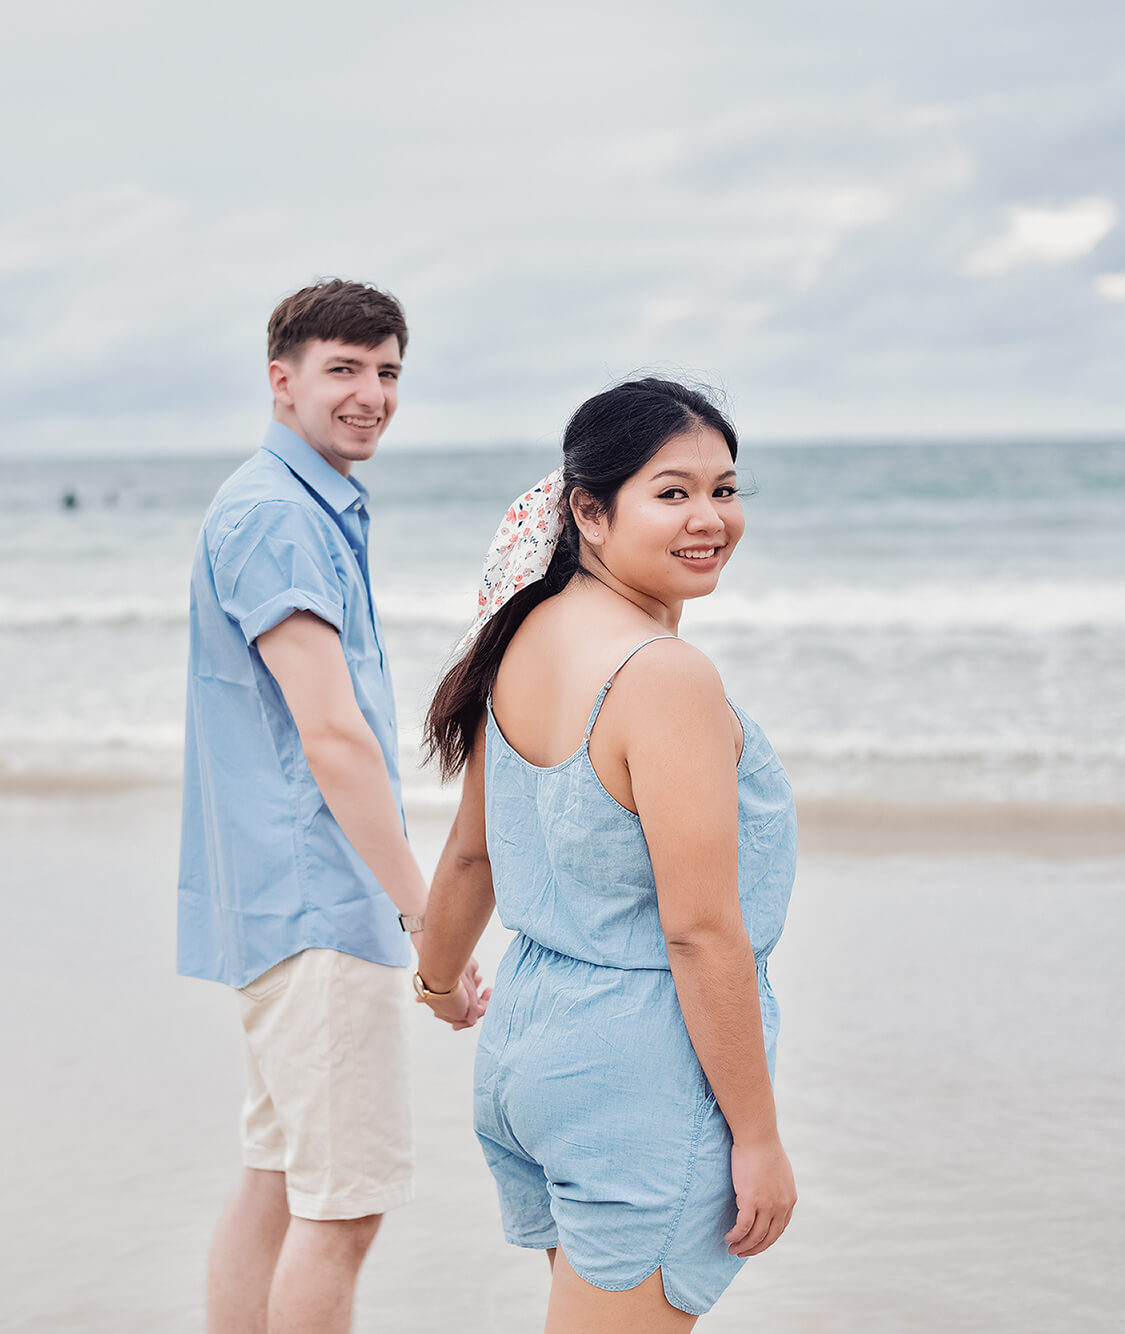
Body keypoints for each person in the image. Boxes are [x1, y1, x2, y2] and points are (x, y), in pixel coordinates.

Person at [413, 377, 798, 1331]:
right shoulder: (663, 676)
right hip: (637, 1071)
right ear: (589, 510)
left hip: (530, 1055)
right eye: (672, 493)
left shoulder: (521, 638)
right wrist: (757, 1136)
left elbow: (470, 859)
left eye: (726, 488)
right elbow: (701, 931)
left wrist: (437, 984)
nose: (710, 518)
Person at [178, 278, 483, 1334]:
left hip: (281, 898)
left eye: (387, 371)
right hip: (319, 900)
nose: (370, 394)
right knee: (340, 1211)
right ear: (282, 379)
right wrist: (423, 912)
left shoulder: (292, 503)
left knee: (276, 1180)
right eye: (343, 369)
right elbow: (332, 734)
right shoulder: (276, 516)